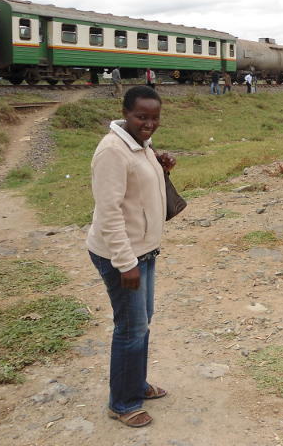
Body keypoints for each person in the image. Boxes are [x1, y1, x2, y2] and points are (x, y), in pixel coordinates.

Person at [87, 85, 176, 427]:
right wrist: (125, 264)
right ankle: (122, 403)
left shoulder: (140, 145)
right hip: (120, 255)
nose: (149, 123)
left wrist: (163, 168)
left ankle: (134, 384)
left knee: (141, 323)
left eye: (154, 117)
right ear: (125, 113)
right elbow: (109, 212)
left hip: (144, 251)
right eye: (142, 116)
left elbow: (137, 193)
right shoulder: (112, 151)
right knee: (130, 327)